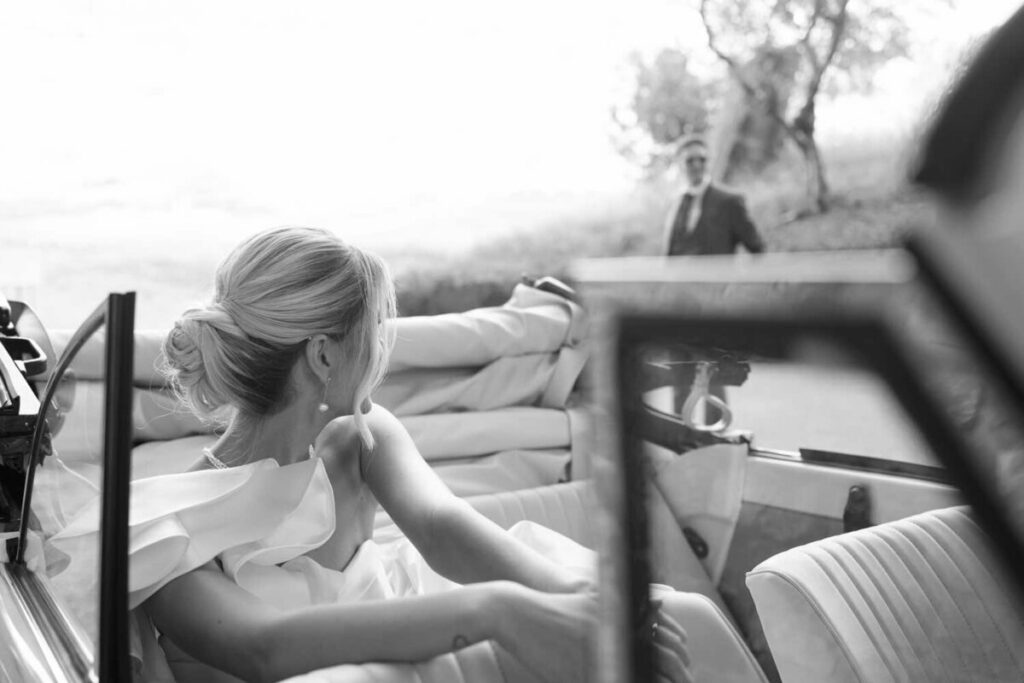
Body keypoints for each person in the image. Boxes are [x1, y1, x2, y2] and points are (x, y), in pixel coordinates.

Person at [87, 226, 690, 682]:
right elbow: (263, 646)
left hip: (413, 645)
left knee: (673, 616)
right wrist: (498, 610)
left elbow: (442, 526)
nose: (382, 349)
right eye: (374, 332)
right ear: (324, 358)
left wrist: (569, 600)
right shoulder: (166, 527)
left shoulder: (360, 436)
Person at [663, 135, 765, 256]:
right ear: (680, 164)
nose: (696, 165)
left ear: (709, 162)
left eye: (702, 159)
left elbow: (758, 250)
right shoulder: (676, 204)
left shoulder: (730, 202)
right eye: (690, 160)